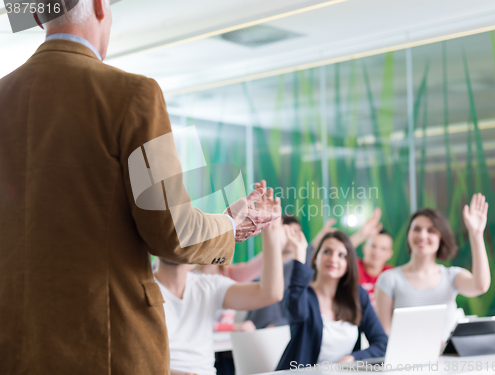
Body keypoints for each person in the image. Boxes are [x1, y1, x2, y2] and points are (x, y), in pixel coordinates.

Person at [0, 1, 279, 374]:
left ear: (37, 17)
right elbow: (173, 233)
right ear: (100, 7)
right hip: (105, 346)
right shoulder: (131, 94)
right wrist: (229, 224)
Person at [154, 187, 283, 375]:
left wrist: (271, 229)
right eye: (167, 231)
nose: (174, 240)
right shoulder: (140, 288)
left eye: (181, 231)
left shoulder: (208, 286)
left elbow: (270, 293)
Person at [375, 193, 491, 341]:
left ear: (441, 238)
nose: (422, 235)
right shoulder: (389, 279)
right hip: (407, 361)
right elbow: (385, 332)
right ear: (408, 234)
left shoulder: (452, 276)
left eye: (431, 230)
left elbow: (480, 286)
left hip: (449, 360)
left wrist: (476, 234)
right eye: (416, 229)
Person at [276, 229, 388, 369]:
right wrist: (299, 253)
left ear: (348, 264)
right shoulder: (303, 295)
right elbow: (295, 312)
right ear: (316, 258)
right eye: (327, 252)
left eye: (342, 255)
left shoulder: (358, 295)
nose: (333, 259)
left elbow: (382, 343)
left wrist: (352, 358)